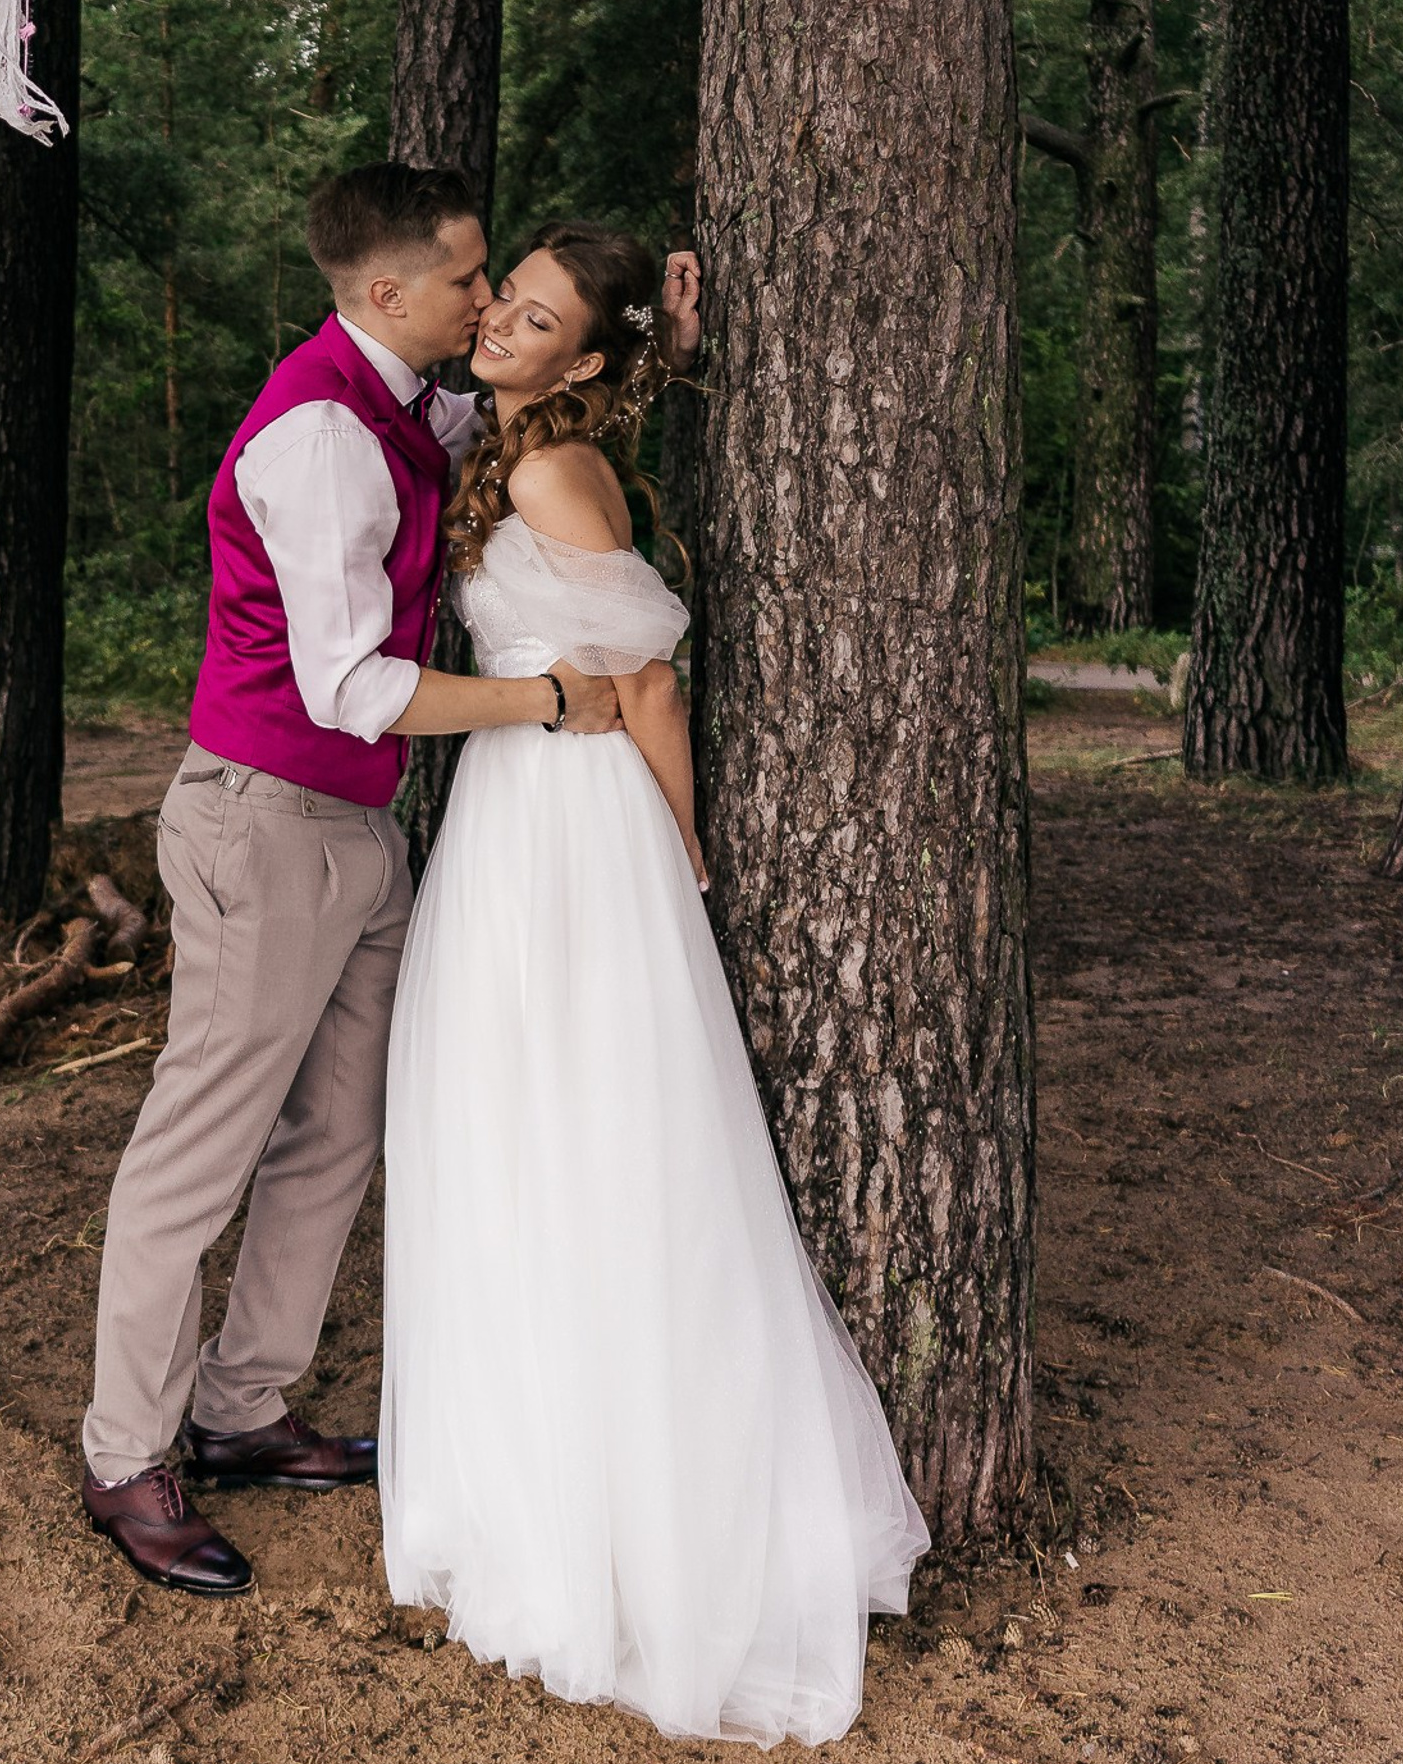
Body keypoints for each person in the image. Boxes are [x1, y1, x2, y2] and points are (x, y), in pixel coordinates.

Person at [77, 164, 702, 1596]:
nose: (486, 300)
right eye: (470, 278)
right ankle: (127, 1455)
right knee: (199, 1149)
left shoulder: (412, 402)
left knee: (341, 1130)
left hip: (362, 833)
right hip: (264, 822)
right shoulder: (320, 437)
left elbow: (552, 410)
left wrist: (666, 344)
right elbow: (350, 688)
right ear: (386, 290)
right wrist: (547, 703)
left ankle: (243, 1407)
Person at [380, 221, 930, 1748]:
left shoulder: (552, 472)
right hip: (511, 815)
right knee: (511, 1130)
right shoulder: (512, 434)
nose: (499, 321)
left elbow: (649, 683)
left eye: (535, 317)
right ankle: (526, 1475)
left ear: (579, 360)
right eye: (505, 298)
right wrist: (668, 356)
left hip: (574, 827)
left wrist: (681, 836)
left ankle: (614, 1518)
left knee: (585, 1135)